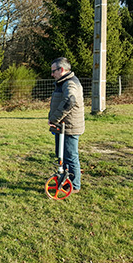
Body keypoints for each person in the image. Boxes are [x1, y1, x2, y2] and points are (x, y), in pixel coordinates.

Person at [48, 57, 85, 194]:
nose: (52, 74)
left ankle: (74, 186)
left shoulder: (70, 83)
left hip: (69, 127)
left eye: (53, 71)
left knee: (70, 156)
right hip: (62, 126)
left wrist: (54, 118)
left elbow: (70, 100)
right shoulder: (63, 83)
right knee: (62, 155)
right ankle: (66, 179)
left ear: (61, 70)